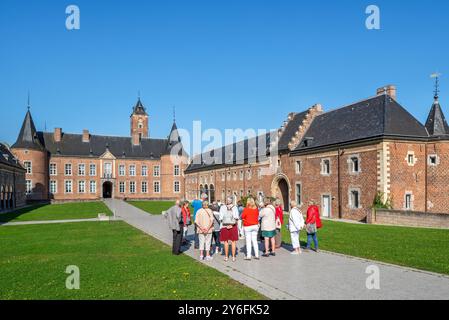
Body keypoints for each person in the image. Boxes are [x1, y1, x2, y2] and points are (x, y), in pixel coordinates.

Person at [219, 197, 240, 262]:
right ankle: (233, 257)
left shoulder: (222, 207)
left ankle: (226, 257)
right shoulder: (235, 207)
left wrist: (226, 225)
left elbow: (220, 218)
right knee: (233, 242)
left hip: (224, 226)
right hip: (233, 226)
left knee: (226, 242)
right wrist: (231, 225)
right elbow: (236, 218)